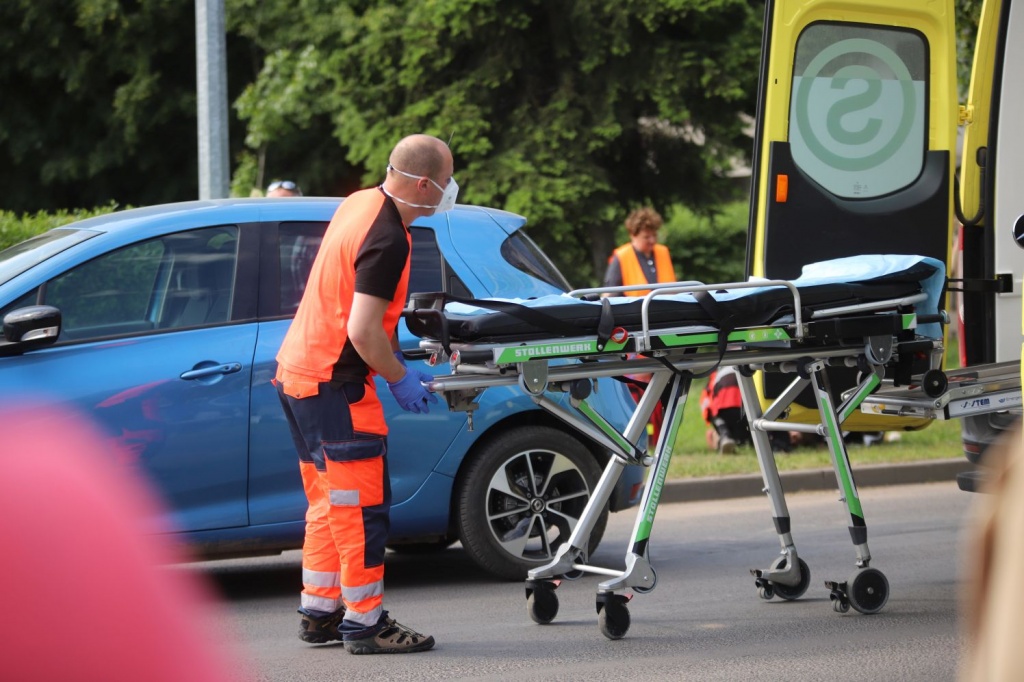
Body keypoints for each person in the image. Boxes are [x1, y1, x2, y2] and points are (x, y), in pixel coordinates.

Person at [274, 134, 457, 655]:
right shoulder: (391, 236)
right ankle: (365, 623)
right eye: (445, 182)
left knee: (329, 503)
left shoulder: (359, 202)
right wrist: (399, 375)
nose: (448, 191)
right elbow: (362, 330)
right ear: (424, 182)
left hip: (299, 374)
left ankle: (320, 612)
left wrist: (394, 360)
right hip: (336, 383)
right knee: (360, 508)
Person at [602, 207, 676, 445]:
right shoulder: (621, 258)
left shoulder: (662, 253)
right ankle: (637, 436)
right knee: (640, 386)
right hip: (634, 334)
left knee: (668, 384)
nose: (652, 241)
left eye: (654, 235)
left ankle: (662, 438)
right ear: (633, 234)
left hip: (664, 331)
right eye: (646, 236)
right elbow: (609, 297)